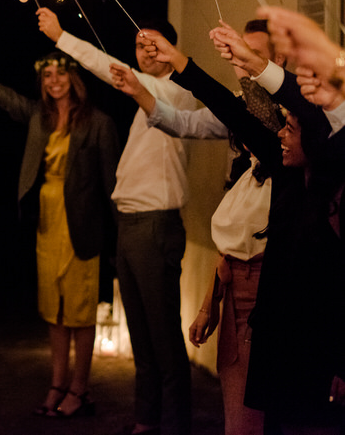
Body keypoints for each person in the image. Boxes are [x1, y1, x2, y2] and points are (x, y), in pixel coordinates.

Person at [141, 26, 345, 434]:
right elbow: (231, 111)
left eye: (291, 127)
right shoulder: (287, 175)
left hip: (316, 350)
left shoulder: (330, 192)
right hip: (278, 342)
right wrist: (181, 63)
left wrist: (257, 65)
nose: (282, 134)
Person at [109, 20, 287, 435]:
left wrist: (181, 65)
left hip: (271, 270)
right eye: (237, 55)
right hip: (234, 265)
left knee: (264, 401)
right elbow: (189, 124)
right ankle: (150, 420)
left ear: (278, 61)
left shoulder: (287, 123)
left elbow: (238, 113)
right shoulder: (240, 113)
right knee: (236, 391)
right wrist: (138, 91)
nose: (240, 63)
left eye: (250, 55)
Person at [0, 43, 119, 418]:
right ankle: (56, 384)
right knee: (54, 312)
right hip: (47, 224)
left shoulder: (98, 122)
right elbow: (0, 95)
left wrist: (119, 238)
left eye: (61, 73)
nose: (54, 81)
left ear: (74, 77)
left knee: (81, 314)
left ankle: (80, 389)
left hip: (82, 229)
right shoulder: (38, 116)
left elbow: (113, 184)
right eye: (47, 75)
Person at [37, 7, 196, 435]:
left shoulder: (175, 93)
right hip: (131, 226)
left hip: (155, 225)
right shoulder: (148, 98)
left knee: (163, 337)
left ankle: (175, 423)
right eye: (139, 45)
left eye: (153, 45)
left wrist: (61, 36)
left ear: (170, 51)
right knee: (142, 337)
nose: (144, 52)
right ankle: (147, 418)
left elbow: (110, 69)